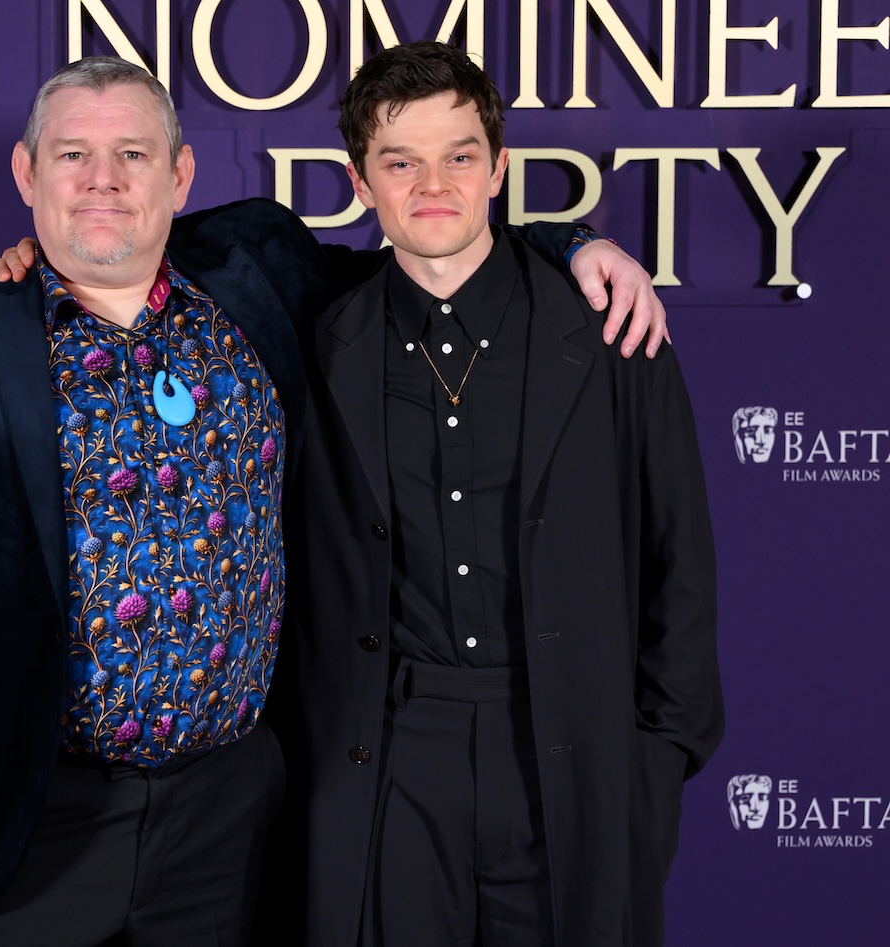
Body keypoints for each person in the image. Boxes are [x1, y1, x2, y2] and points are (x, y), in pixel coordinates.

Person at [0, 56, 666, 947]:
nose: (104, 180)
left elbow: (433, 250)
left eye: (134, 155)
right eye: (73, 155)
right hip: (26, 810)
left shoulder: (256, 273)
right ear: (26, 173)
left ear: (181, 174)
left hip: (229, 821)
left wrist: (570, 244)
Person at [277, 41, 722, 946]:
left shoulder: (609, 332)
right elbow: (142, 239)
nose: (432, 184)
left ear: (499, 168)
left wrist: (653, 764)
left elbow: (681, 562)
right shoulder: (316, 338)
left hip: (571, 747)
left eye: (460, 156)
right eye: (401, 161)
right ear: (361, 182)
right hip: (391, 752)